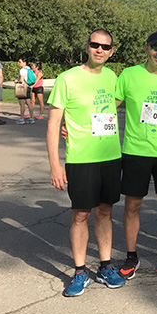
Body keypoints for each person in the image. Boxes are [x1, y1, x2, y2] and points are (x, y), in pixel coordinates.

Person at [47, 29, 125, 296]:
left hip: (110, 158)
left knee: (105, 212)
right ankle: (80, 271)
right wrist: (55, 165)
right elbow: (53, 124)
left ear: (111, 51)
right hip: (81, 160)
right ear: (87, 47)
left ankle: (105, 267)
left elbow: (113, 103)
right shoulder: (67, 79)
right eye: (95, 45)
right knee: (81, 214)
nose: (99, 50)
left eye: (105, 47)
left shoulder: (112, 77)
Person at [114, 31, 157, 280]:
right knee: (133, 205)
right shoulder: (129, 75)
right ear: (147, 48)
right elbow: (108, 107)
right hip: (135, 151)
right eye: (156, 48)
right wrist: (75, 123)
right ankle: (131, 256)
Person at [15, 57, 35, 124]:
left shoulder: (22, 70)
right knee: (29, 102)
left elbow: (21, 80)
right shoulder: (29, 69)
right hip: (28, 87)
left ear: (24, 62)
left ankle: (22, 119)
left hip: (22, 87)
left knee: (22, 103)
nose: (19, 63)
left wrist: (16, 81)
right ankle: (32, 118)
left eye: (20, 62)